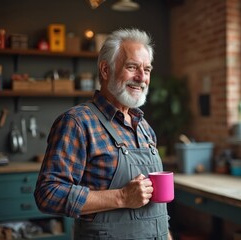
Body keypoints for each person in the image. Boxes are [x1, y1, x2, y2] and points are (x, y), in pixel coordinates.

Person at [34, 28, 172, 240]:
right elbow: (48, 194)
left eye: (147, 69)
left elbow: (155, 211)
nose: (141, 77)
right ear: (106, 70)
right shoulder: (77, 123)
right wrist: (122, 197)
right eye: (132, 67)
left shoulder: (144, 128)